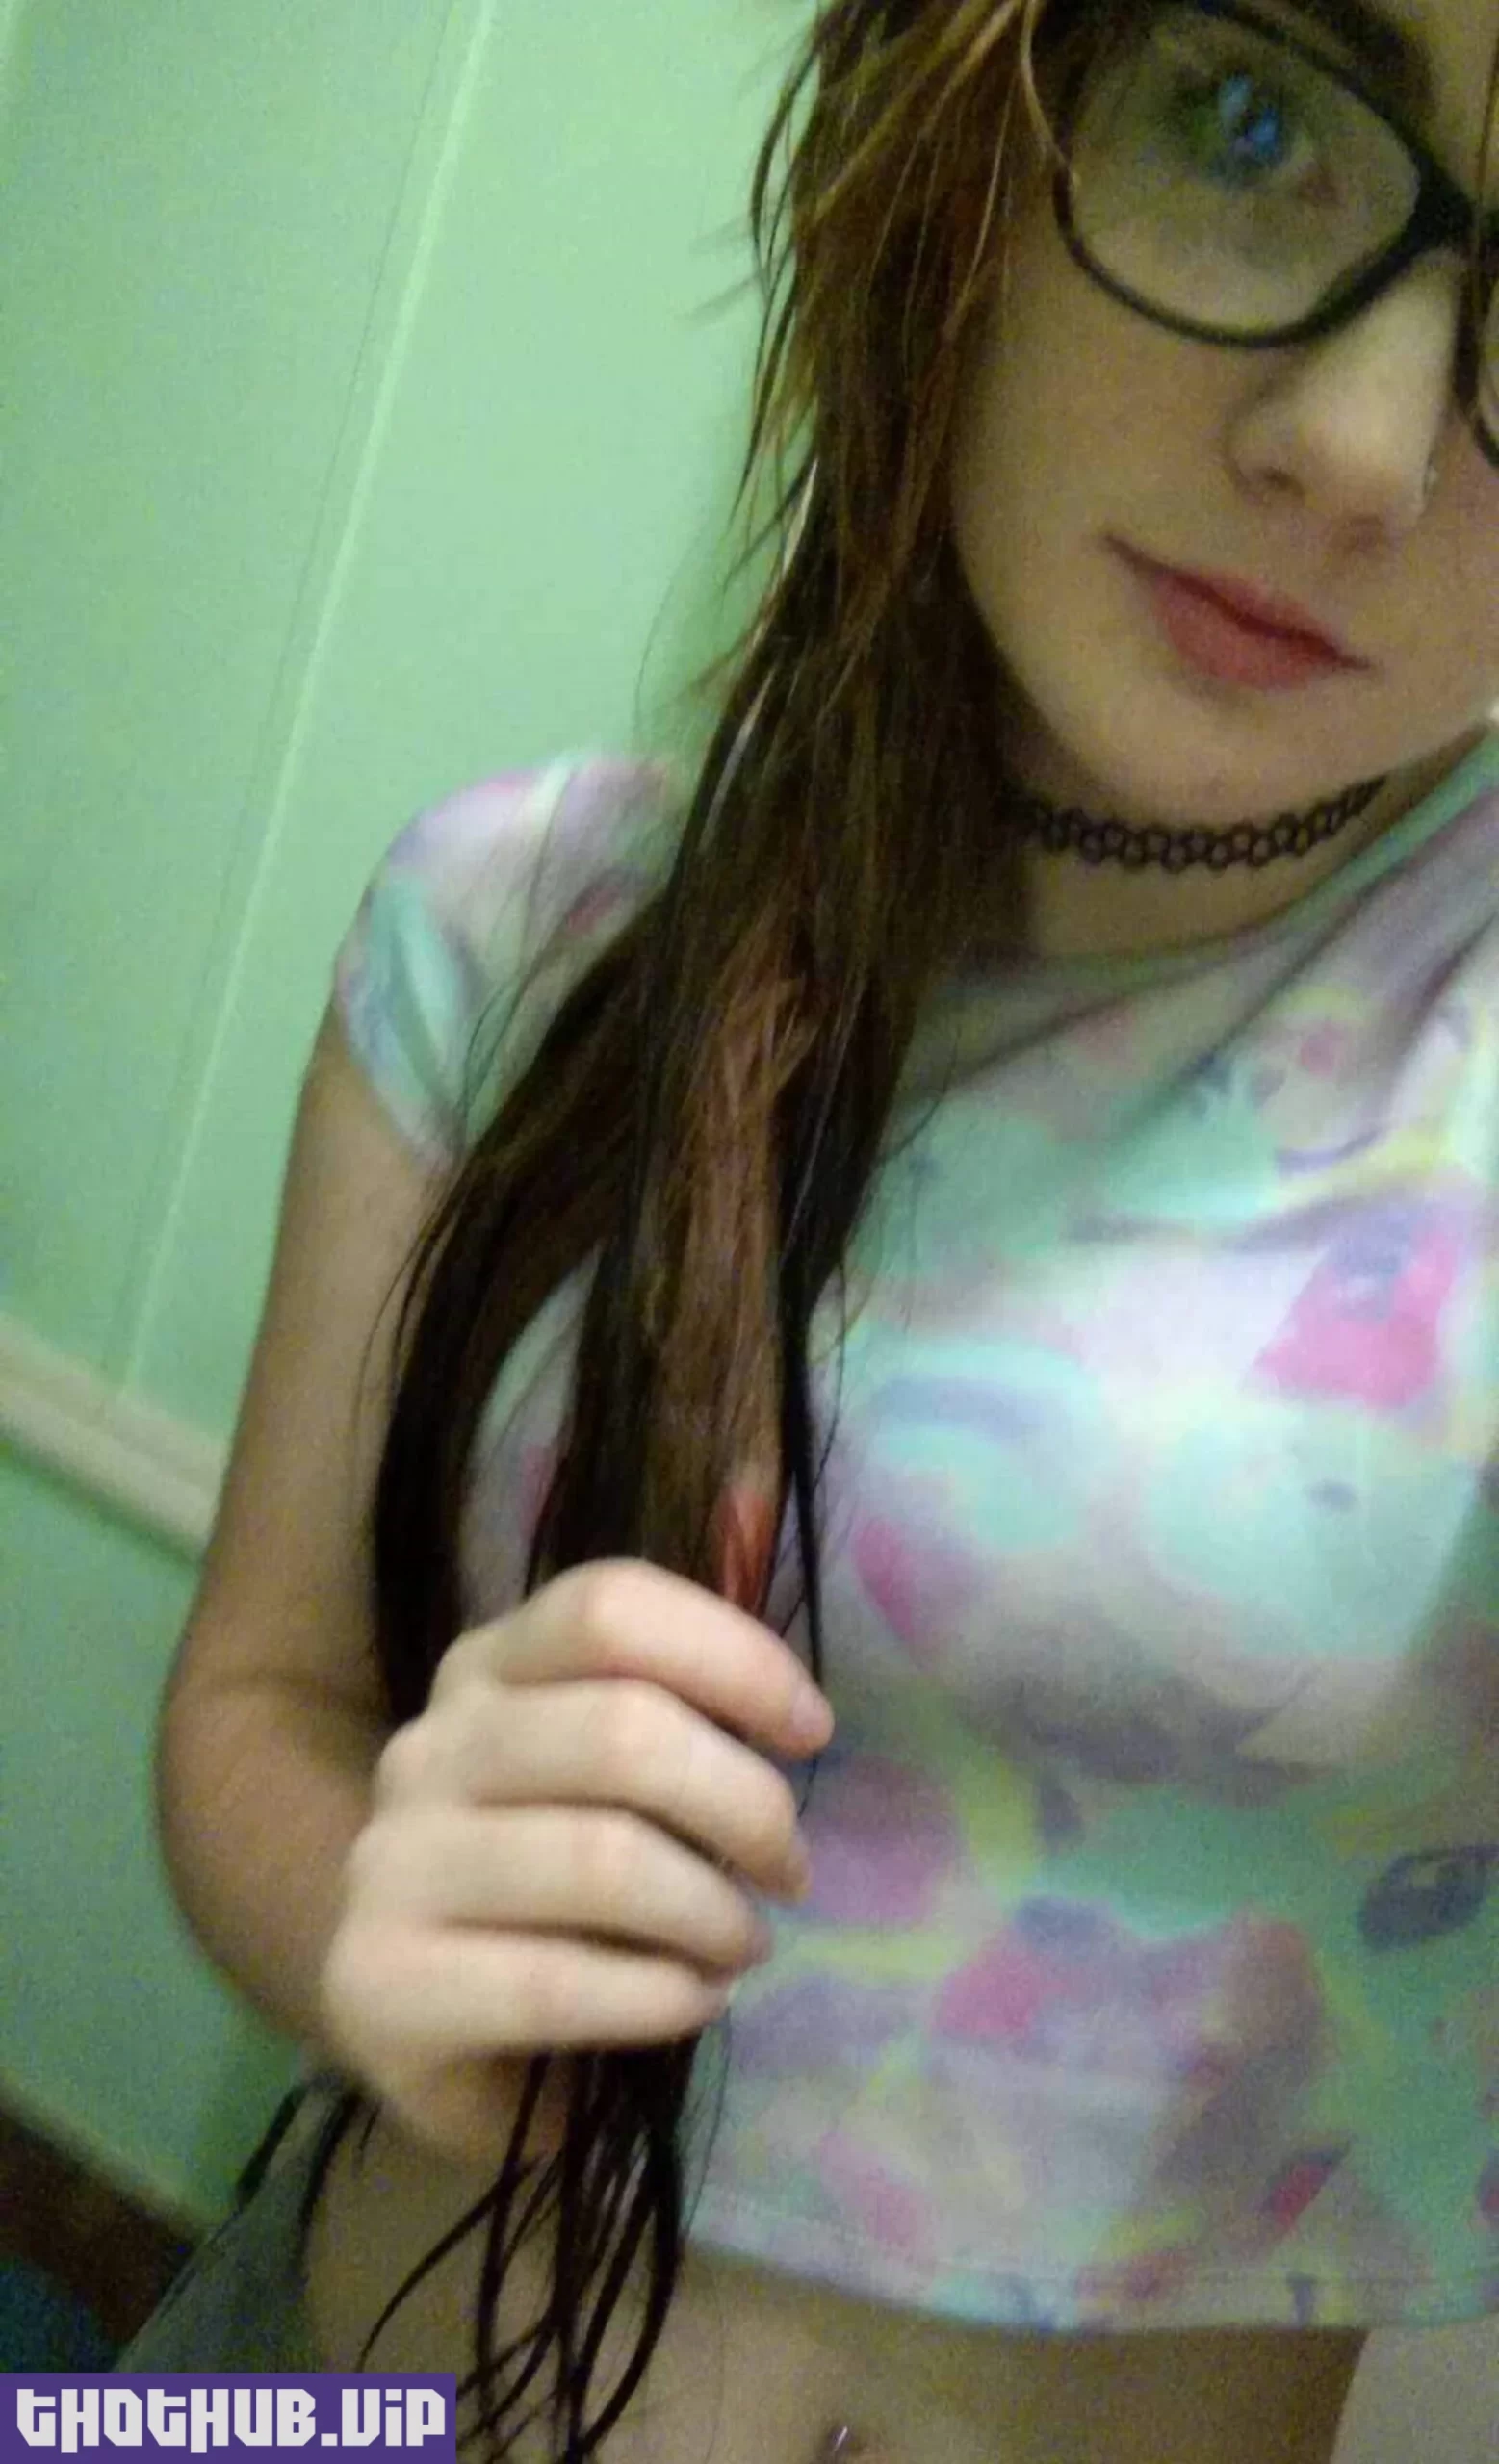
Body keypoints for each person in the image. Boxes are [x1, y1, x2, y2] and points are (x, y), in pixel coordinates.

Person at [117, 0, 1499, 2455]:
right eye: (1251, 119)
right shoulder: (521, 922)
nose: (1364, 445)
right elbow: (256, 1704)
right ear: (951, 121)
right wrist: (363, 1928)